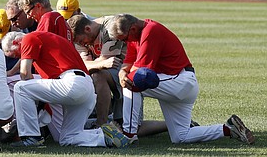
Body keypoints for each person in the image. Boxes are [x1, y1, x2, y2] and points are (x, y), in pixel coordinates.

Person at [109, 14, 255, 145]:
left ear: (133, 28)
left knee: (134, 83)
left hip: (180, 81)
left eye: (125, 38)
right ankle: (229, 129)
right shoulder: (136, 36)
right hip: (177, 84)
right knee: (181, 136)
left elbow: (143, 71)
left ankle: (128, 135)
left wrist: (125, 78)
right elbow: (128, 63)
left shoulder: (151, 31)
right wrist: (122, 73)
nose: (125, 42)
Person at [1, 30, 136, 148]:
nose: (18, 57)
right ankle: (105, 136)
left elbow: (25, 74)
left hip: (72, 82)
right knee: (67, 138)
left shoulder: (29, 38)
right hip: (86, 87)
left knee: (20, 87)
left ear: (16, 42)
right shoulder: (48, 40)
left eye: (14, 54)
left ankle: (30, 137)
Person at [66, 13, 128, 130]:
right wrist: (101, 64)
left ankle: (101, 124)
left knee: (130, 128)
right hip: (113, 75)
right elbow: (83, 65)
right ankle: (100, 116)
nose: (81, 44)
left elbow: (108, 62)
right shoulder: (81, 34)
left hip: (127, 73)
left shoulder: (110, 27)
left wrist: (100, 64)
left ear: (87, 29)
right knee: (87, 74)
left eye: (81, 41)